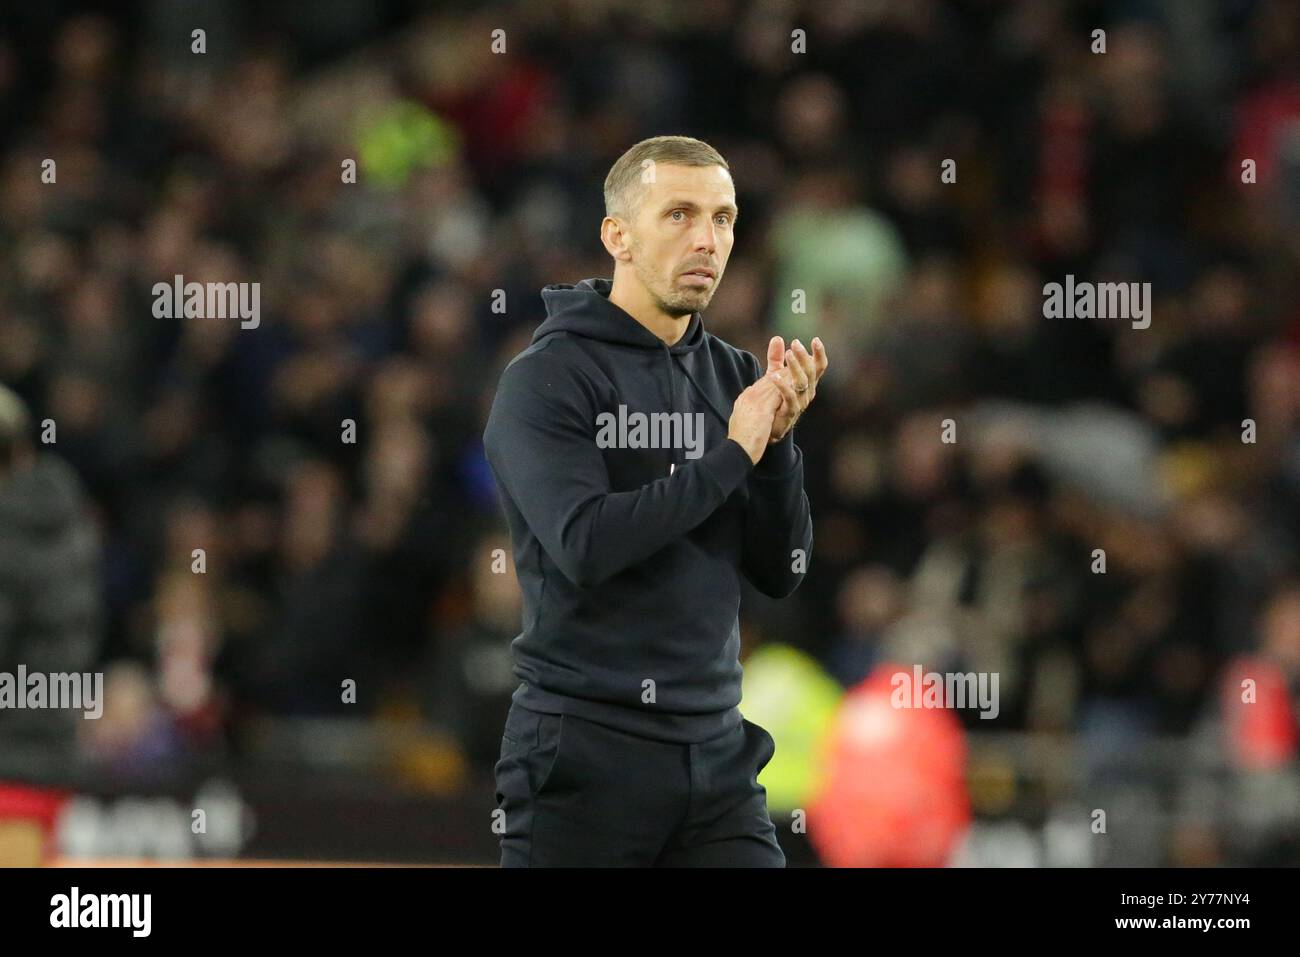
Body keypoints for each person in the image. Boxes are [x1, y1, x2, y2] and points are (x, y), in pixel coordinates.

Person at [483, 135, 827, 866]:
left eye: (724, 218)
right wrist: (733, 453)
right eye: (679, 214)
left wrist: (777, 454)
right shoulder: (547, 379)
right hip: (583, 757)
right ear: (618, 235)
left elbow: (781, 571)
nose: (707, 239)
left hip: (716, 757)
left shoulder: (736, 375)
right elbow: (586, 544)